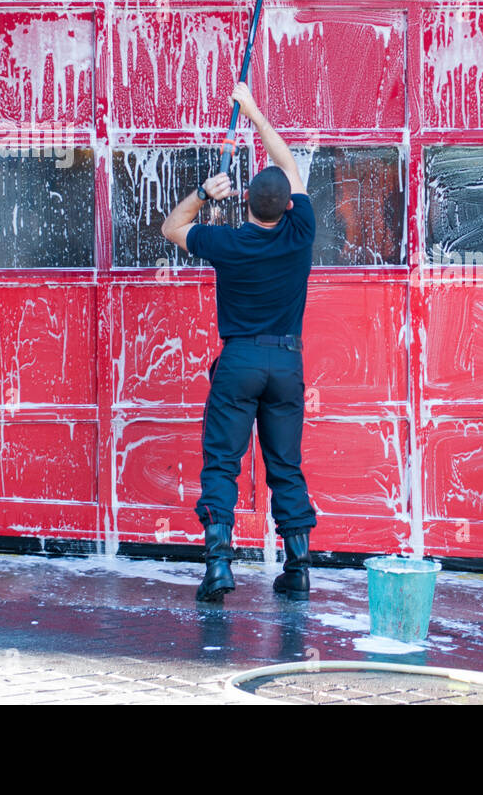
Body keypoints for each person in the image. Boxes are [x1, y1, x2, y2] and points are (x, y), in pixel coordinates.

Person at [161, 80, 317, 603]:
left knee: (223, 463)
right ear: (288, 204)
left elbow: (170, 227)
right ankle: (297, 568)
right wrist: (254, 113)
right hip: (286, 362)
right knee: (285, 466)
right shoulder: (301, 231)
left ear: (245, 202)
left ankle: (219, 569)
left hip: (239, 361)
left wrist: (205, 194)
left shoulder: (226, 242)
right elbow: (288, 165)